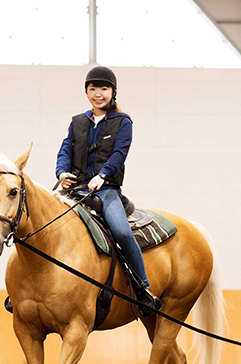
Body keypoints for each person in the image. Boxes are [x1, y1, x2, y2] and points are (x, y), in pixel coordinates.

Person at [56, 65, 160, 310]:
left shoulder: (123, 122)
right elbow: (65, 150)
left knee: (122, 232)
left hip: (106, 189)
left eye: (104, 88)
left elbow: (119, 154)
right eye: (93, 89)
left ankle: (143, 288)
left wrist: (103, 176)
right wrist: (62, 173)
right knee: (38, 217)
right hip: (75, 189)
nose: (98, 94)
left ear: (113, 92)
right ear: (86, 92)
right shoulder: (77, 122)